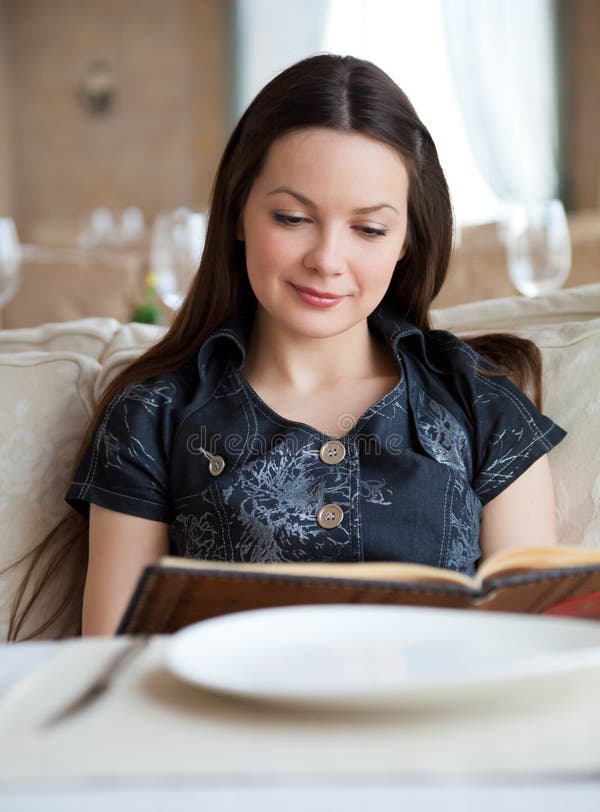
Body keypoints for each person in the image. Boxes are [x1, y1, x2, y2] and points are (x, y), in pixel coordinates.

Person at [13, 54, 567, 639]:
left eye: (369, 229)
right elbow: (111, 666)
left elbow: (530, 645)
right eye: (292, 217)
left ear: (406, 240)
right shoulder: (153, 417)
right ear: (238, 215)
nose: (327, 259)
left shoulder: (479, 401)